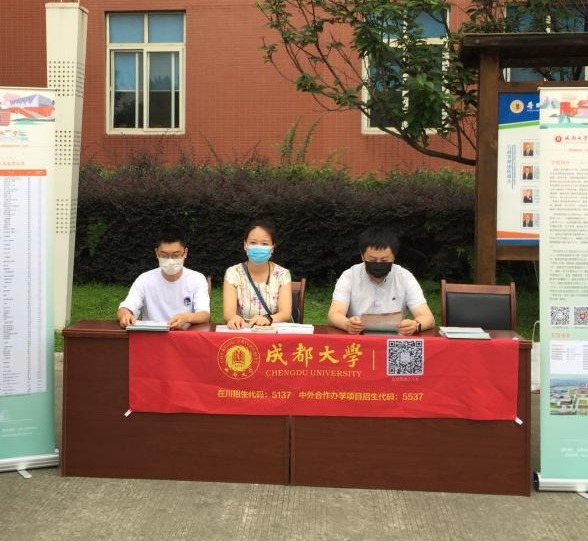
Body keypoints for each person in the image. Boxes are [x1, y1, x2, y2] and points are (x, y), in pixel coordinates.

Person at [327, 227, 435, 335]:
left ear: (394, 257)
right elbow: (334, 314)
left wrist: (415, 325)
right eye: (372, 260)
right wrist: (347, 324)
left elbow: (427, 317)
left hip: (394, 340)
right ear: (362, 256)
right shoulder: (349, 276)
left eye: (384, 260)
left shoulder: (404, 277)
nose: (378, 263)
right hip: (359, 338)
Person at [117, 226, 210, 329]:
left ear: (185, 252)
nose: (170, 261)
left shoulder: (197, 279)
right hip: (152, 335)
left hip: (185, 335)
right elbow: (126, 307)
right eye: (164, 255)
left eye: (176, 255)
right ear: (157, 253)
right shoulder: (145, 280)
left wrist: (187, 317)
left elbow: (204, 314)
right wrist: (125, 315)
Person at [223, 220, 292, 329]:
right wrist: (234, 318)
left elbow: (285, 313)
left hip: (273, 331)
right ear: (245, 245)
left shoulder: (282, 274)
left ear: (272, 248)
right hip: (243, 331)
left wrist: (268, 319)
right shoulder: (233, 273)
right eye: (253, 242)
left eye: (265, 244)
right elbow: (228, 314)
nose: (258, 247)